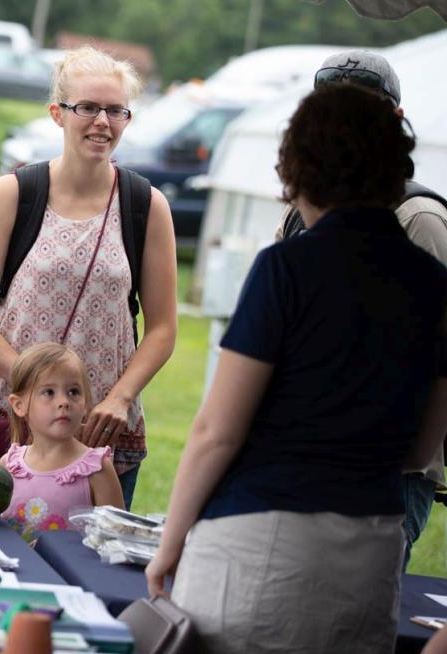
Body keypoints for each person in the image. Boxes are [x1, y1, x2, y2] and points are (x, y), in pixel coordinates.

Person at [146, 84, 447, 653]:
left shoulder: (288, 266)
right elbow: (420, 449)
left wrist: (171, 543)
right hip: (372, 554)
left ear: (298, 166)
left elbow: (217, 430)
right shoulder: (435, 285)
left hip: (262, 545)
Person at [0, 46, 178, 509]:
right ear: (58, 113)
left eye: (116, 110)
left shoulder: (145, 206)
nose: (102, 122)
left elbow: (162, 329)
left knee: (89, 565)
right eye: (88, 108)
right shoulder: (13, 194)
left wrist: (121, 398)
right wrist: (37, 395)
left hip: (99, 430)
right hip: (8, 420)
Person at [276, 49, 447, 567]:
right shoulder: (298, 215)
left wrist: (408, 459)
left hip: (385, 476)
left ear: (394, 121)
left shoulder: (419, 219)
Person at [0, 343, 124, 542]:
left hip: (70, 574)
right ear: (19, 405)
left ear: (86, 405)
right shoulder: (9, 466)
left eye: (73, 392)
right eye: (48, 392)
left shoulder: (97, 470)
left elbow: (115, 542)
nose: (64, 401)